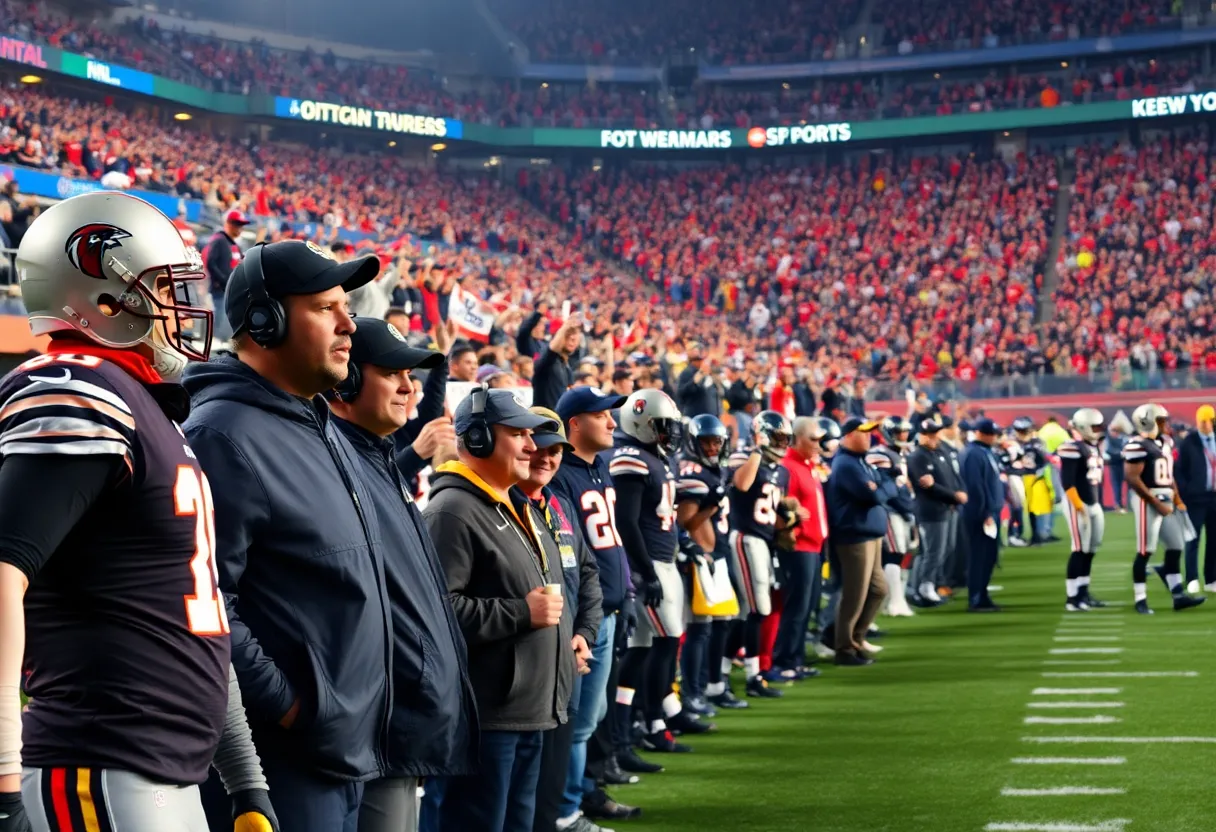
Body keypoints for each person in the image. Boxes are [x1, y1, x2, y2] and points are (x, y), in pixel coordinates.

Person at [0, 193, 275, 831]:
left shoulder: (143, 404)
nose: (181, 309)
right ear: (104, 299)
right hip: (98, 768)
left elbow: (191, 608)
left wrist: (245, 778)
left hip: (159, 771)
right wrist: (3, 779)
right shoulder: (74, 387)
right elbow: (2, 572)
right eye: (161, 290)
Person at [183, 239, 392, 832]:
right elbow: (206, 606)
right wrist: (294, 708)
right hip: (283, 764)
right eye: (326, 307)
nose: (350, 322)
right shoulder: (221, 436)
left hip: (343, 753)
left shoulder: (314, 421)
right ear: (264, 321)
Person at [324, 317, 478, 832]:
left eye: (412, 375)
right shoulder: (334, 458)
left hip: (394, 718)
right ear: (344, 380)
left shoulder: (375, 454)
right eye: (393, 372)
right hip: (362, 723)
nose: (409, 386)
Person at [422, 388, 573, 832]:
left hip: (528, 710)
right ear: (481, 439)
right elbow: (439, 614)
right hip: (489, 718)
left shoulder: (514, 502)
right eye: (519, 434)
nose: (532, 445)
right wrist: (521, 614)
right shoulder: (451, 510)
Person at [550, 387, 650, 820]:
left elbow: (611, 542)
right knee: (574, 724)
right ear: (575, 423)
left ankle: (583, 793)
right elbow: (571, 556)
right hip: (581, 618)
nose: (613, 422)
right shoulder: (560, 474)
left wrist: (626, 590)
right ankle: (567, 808)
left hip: (606, 609)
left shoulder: (598, 469)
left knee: (591, 718)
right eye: (602, 415)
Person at [517, 407, 604, 832]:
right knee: (519, 798)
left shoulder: (560, 503)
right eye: (539, 449)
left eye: (555, 451)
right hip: (522, 680)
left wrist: (584, 634)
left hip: (568, 668)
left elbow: (588, 574)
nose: (547, 458)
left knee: (549, 787)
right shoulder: (501, 505)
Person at [609, 389, 696, 751]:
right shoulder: (630, 458)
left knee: (646, 647)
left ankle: (634, 723)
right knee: (664, 641)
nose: (670, 434)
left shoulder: (651, 456)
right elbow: (626, 523)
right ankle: (652, 721)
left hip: (661, 559)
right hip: (649, 564)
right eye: (662, 426)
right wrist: (645, 570)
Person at [676, 415, 744, 712]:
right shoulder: (691, 472)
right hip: (699, 556)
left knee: (722, 623)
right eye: (707, 442)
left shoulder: (714, 470)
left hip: (718, 553)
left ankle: (713, 684)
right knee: (700, 627)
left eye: (717, 441)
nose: (713, 447)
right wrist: (711, 505)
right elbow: (686, 522)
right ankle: (693, 691)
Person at [726, 410, 794, 695]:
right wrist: (757, 449)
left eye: (784, 438)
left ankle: (721, 675)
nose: (782, 443)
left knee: (747, 612)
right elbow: (741, 484)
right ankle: (754, 678)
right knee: (757, 609)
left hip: (765, 541)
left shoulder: (782, 470)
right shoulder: (745, 457)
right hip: (745, 538)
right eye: (777, 437)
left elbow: (775, 514)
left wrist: (792, 519)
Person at [824, 417, 894, 664]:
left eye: (870, 433)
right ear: (848, 436)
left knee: (878, 589)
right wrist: (883, 487)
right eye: (862, 433)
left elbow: (887, 488)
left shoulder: (860, 462)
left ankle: (854, 637)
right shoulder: (846, 464)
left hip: (869, 533)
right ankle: (844, 648)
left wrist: (883, 486)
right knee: (854, 594)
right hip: (854, 535)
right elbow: (873, 496)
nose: (868, 437)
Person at [1124, 404, 1205, 614]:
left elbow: (1169, 476)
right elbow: (1132, 478)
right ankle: (1140, 599)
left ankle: (1178, 595)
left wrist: (1177, 498)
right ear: (1147, 421)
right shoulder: (1137, 444)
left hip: (1166, 498)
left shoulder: (1166, 442)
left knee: (1176, 546)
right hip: (1146, 500)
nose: (1164, 424)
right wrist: (1154, 501)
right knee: (1145, 550)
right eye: (1160, 420)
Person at [774, 417, 829, 678]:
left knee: (807, 605)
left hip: (814, 546)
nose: (819, 444)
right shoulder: (789, 467)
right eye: (813, 439)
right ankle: (785, 661)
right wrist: (794, 516)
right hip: (799, 547)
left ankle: (795, 658)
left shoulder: (807, 466)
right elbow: (782, 504)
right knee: (796, 606)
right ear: (796, 440)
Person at [905, 418, 965, 608]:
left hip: (946, 507)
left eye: (934, 433)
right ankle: (923, 587)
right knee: (932, 551)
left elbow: (952, 477)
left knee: (944, 549)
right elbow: (927, 487)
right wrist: (954, 496)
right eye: (928, 434)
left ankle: (924, 585)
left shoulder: (941, 452)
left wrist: (958, 493)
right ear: (920, 435)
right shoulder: (917, 457)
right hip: (930, 510)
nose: (932, 437)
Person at [1058, 408, 1108, 612]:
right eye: (1094, 427)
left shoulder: (1094, 447)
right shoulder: (1072, 447)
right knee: (1079, 549)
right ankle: (1072, 598)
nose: (1097, 430)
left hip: (1093, 502)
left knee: (1090, 550)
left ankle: (1083, 593)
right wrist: (1079, 507)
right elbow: (1067, 482)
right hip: (1076, 502)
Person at [868, 416, 917, 617]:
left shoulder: (900, 453)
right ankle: (895, 602)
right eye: (899, 432)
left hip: (905, 510)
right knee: (894, 554)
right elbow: (887, 488)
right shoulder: (879, 454)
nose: (903, 436)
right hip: (891, 511)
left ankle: (899, 598)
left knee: (905, 554)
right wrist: (905, 508)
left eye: (904, 432)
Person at [958, 418, 1006, 612]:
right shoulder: (973, 454)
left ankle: (983, 595)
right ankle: (976, 598)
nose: (993, 437)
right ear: (980, 433)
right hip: (979, 514)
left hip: (989, 512)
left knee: (989, 556)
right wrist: (984, 512)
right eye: (990, 433)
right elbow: (975, 487)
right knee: (979, 556)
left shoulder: (983, 452)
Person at [1176, 404, 1216, 593]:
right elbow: (1179, 470)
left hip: (1215, 497)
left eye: (1207, 422)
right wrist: (1186, 492)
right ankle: (1192, 577)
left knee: (1214, 540)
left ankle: (1211, 579)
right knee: (1193, 538)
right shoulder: (1189, 441)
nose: (1203, 425)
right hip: (1196, 498)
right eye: (1201, 422)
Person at [202, 209, 249, 344]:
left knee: (226, 322)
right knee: (219, 321)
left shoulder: (233, 244)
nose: (240, 228)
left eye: (241, 225)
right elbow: (211, 262)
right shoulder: (219, 240)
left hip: (230, 291)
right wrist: (223, 281)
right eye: (237, 224)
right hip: (220, 291)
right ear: (228, 223)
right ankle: (213, 346)